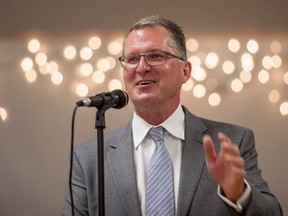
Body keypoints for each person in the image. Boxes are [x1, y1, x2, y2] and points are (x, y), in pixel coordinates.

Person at [62, 15, 283, 215]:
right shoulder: (89, 158)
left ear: (185, 71)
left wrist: (239, 193)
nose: (141, 68)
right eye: (131, 59)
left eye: (155, 56)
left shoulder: (233, 141)